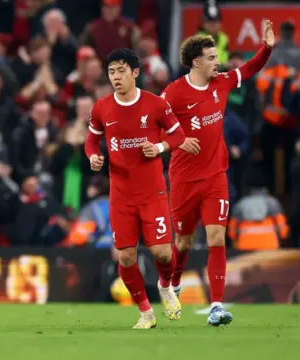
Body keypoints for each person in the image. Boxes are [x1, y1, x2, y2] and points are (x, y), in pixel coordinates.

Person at [162, 20, 274, 326]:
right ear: (196, 62)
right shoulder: (173, 93)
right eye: (212, 58)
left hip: (215, 176)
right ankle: (172, 284)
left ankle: (216, 306)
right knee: (183, 242)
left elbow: (250, 69)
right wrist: (179, 140)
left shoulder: (222, 83)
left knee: (216, 236)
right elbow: (153, 126)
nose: (218, 62)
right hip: (184, 179)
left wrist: (267, 47)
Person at [84, 48, 200, 329]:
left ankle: (164, 286)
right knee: (125, 256)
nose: (116, 77)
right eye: (111, 72)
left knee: (162, 253)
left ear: (135, 72)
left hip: (152, 192)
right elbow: (91, 141)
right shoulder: (101, 107)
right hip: (121, 195)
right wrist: (93, 157)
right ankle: (146, 312)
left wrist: (159, 147)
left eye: (121, 71)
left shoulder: (155, 105)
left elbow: (178, 134)